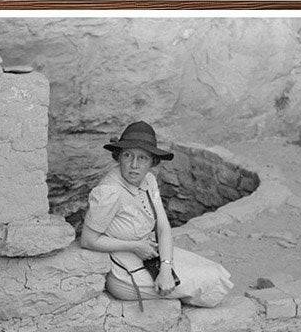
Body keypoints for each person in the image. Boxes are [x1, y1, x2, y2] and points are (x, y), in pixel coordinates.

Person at [80, 121, 233, 308]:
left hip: (151, 256)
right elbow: (87, 240)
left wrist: (166, 268)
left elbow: (163, 228)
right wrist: (135, 246)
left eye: (142, 158)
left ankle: (175, 289)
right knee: (209, 281)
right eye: (128, 155)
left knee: (216, 271)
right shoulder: (109, 192)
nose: (134, 165)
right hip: (126, 272)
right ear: (118, 157)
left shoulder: (148, 181)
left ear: (152, 161)